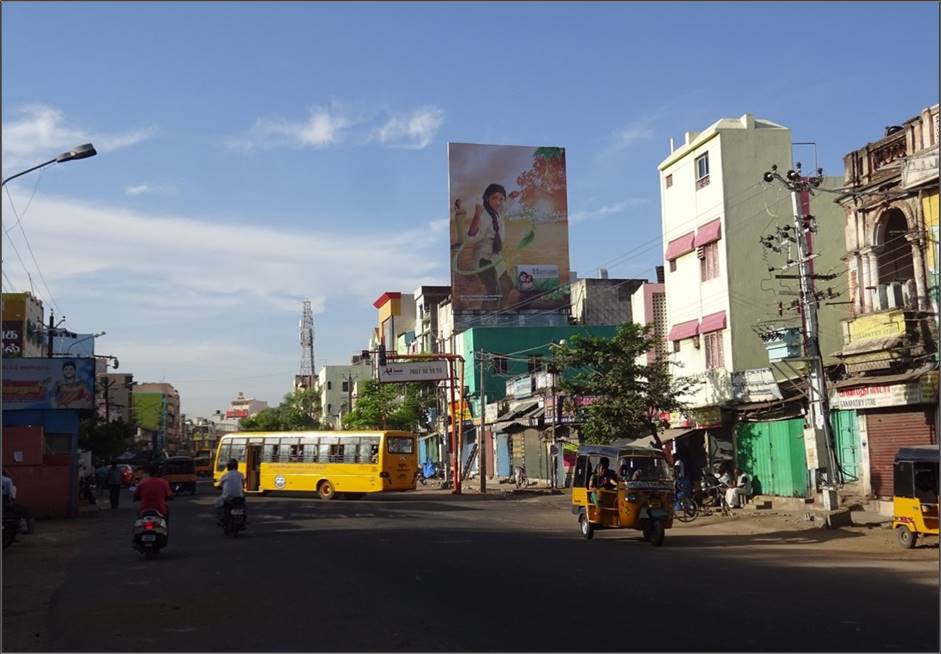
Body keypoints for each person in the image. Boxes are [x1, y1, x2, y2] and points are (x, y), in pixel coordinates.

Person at [466, 184, 519, 309]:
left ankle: (503, 310)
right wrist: (477, 215)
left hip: (496, 257)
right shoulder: (484, 216)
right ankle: (485, 316)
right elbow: (472, 236)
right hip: (483, 259)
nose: (498, 202)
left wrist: (511, 196)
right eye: (494, 198)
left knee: (507, 287)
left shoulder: (497, 213)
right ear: (487, 198)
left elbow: (505, 207)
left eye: (501, 199)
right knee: (493, 290)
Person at [216, 459, 245, 525]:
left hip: (227, 497)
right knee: (244, 505)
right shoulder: (241, 474)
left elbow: (220, 484)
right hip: (239, 497)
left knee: (218, 504)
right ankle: (244, 518)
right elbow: (243, 484)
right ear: (237, 466)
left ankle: (221, 519)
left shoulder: (225, 475)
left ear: (228, 467)